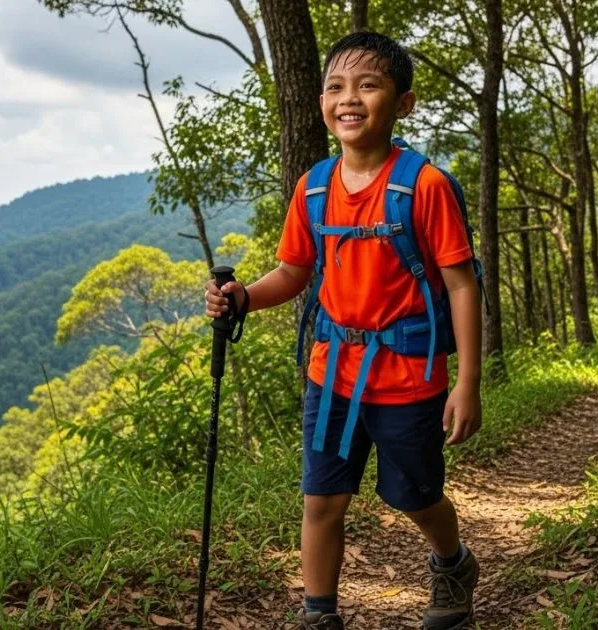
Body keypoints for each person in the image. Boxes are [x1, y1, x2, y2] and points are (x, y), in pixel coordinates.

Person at [204, 31, 483, 630]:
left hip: (411, 375)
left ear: (402, 103)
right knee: (322, 500)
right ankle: (319, 615)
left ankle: (452, 562)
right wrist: (244, 297)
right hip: (331, 372)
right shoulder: (314, 188)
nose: (348, 99)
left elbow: (462, 285)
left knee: (413, 495)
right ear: (322, 100)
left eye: (368, 85)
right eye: (335, 86)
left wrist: (468, 383)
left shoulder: (424, 187)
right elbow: (294, 271)